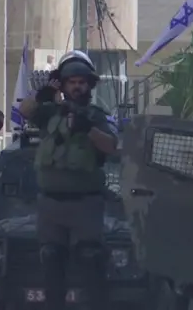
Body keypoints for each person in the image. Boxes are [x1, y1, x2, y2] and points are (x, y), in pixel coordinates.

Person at [18, 50, 118, 310]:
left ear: (89, 85)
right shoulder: (49, 112)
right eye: (71, 82)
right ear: (63, 85)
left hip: (85, 205)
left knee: (90, 262)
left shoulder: (96, 116)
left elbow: (111, 147)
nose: (77, 86)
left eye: (81, 82)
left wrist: (87, 129)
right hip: (51, 205)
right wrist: (42, 95)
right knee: (51, 262)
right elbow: (25, 111)